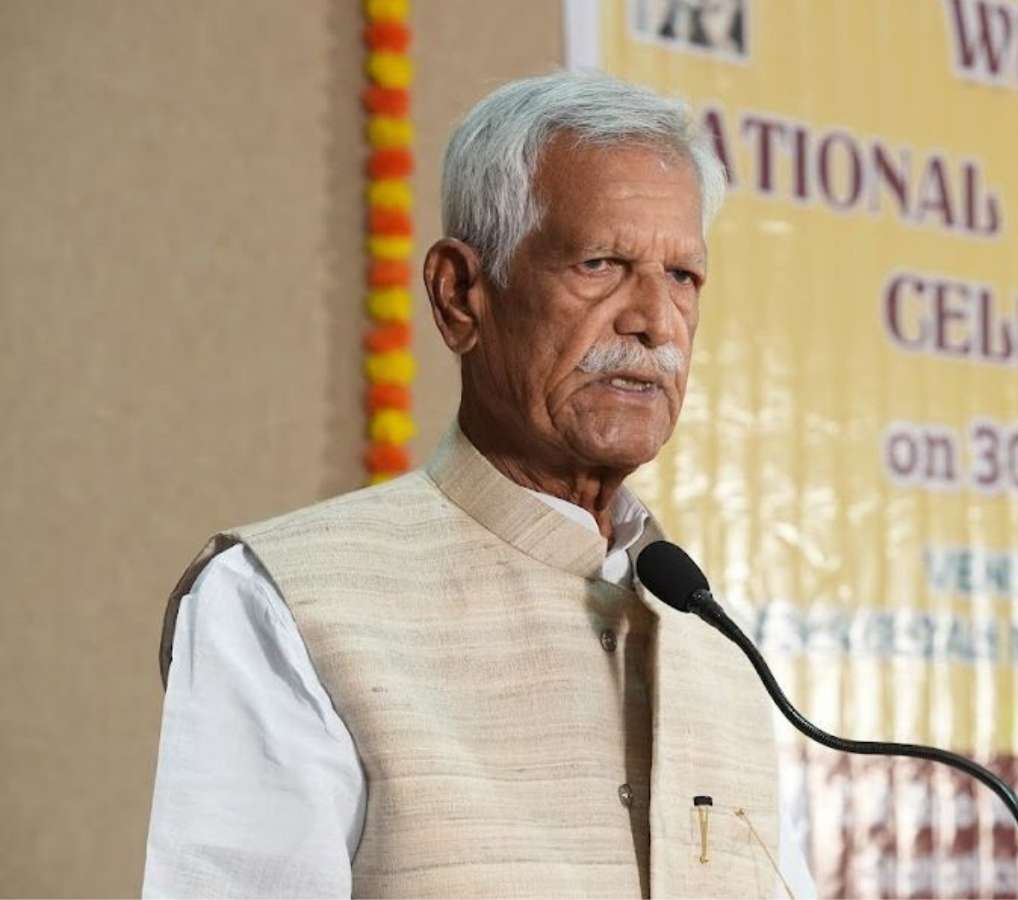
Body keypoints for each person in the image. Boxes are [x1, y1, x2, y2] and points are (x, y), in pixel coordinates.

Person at [143, 70, 814, 899]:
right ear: (460, 294)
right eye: (601, 263)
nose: (654, 321)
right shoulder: (284, 599)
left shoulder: (716, 644)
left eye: (683, 276)